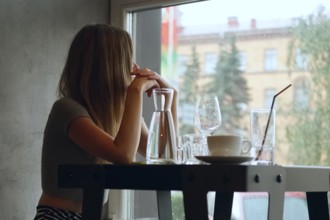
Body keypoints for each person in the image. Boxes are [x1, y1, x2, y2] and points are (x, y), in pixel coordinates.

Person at [34, 24, 177, 220]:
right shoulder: (67, 109)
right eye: (128, 59)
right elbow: (123, 155)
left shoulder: (116, 114)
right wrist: (134, 92)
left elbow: (163, 152)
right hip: (58, 216)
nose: (135, 67)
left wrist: (170, 100)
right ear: (111, 65)